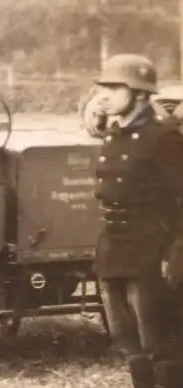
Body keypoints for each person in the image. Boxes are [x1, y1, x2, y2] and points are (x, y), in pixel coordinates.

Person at [84, 53, 183, 388]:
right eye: (103, 86)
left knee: (160, 343)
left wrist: (176, 252)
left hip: (151, 250)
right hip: (113, 246)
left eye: (115, 86)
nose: (104, 94)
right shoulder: (114, 134)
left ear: (141, 94)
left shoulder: (163, 138)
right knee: (126, 340)